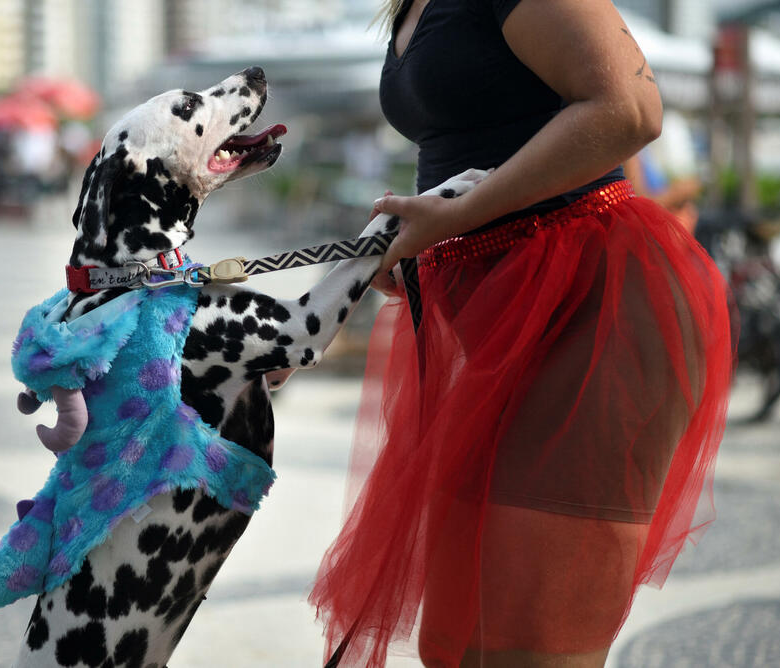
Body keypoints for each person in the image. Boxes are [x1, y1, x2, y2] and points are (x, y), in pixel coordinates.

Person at [308, 2, 735, 667]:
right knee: (466, 643)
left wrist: (457, 217)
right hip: (493, 314)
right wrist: (427, 241)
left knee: (534, 641)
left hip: (593, 304)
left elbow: (630, 111)